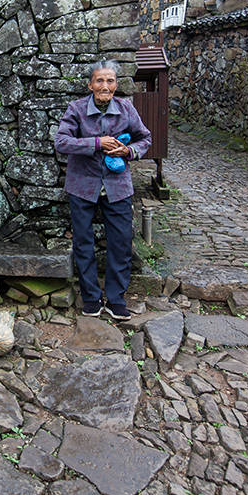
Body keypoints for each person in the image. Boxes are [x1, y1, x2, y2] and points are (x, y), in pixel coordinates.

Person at [54, 60, 152, 320]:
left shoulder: (126, 109)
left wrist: (129, 151)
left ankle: (116, 298)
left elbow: (145, 138)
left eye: (110, 81)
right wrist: (97, 143)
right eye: (99, 80)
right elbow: (62, 142)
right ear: (90, 84)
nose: (105, 86)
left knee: (120, 242)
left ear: (116, 85)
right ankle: (91, 298)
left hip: (117, 187)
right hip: (83, 185)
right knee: (84, 242)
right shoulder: (76, 109)